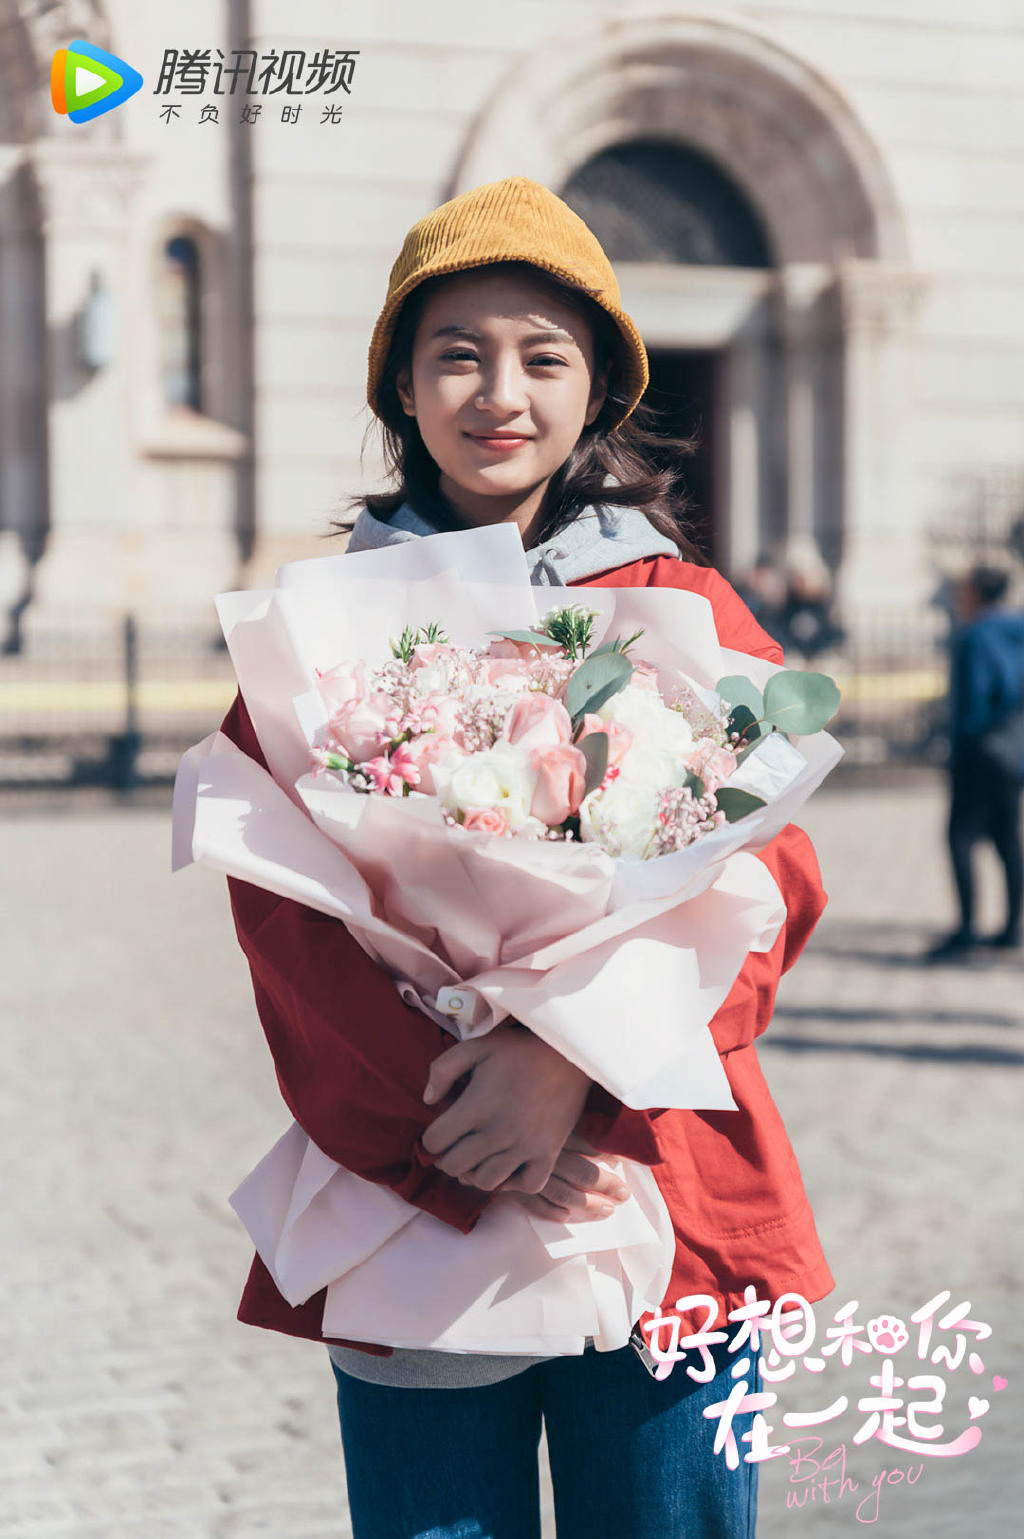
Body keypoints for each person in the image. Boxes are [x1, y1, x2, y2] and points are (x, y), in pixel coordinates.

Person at [217, 176, 832, 1539]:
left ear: (599, 388)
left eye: (544, 355)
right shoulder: (319, 632)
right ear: (402, 390)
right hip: (420, 1186)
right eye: (457, 353)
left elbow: (767, 878)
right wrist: (454, 1131)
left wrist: (570, 1065)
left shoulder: (678, 603)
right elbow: (290, 925)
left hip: (647, 1167)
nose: (500, 391)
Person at [926, 564, 1024, 960]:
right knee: (1007, 839)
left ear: (977, 593)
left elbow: (977, 697)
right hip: (1014, 751)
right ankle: (1011, 928)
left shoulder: (976, 634)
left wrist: (958, 744)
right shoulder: (1017, 628)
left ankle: (967, 927)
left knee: (960, 838)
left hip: (977, 751)